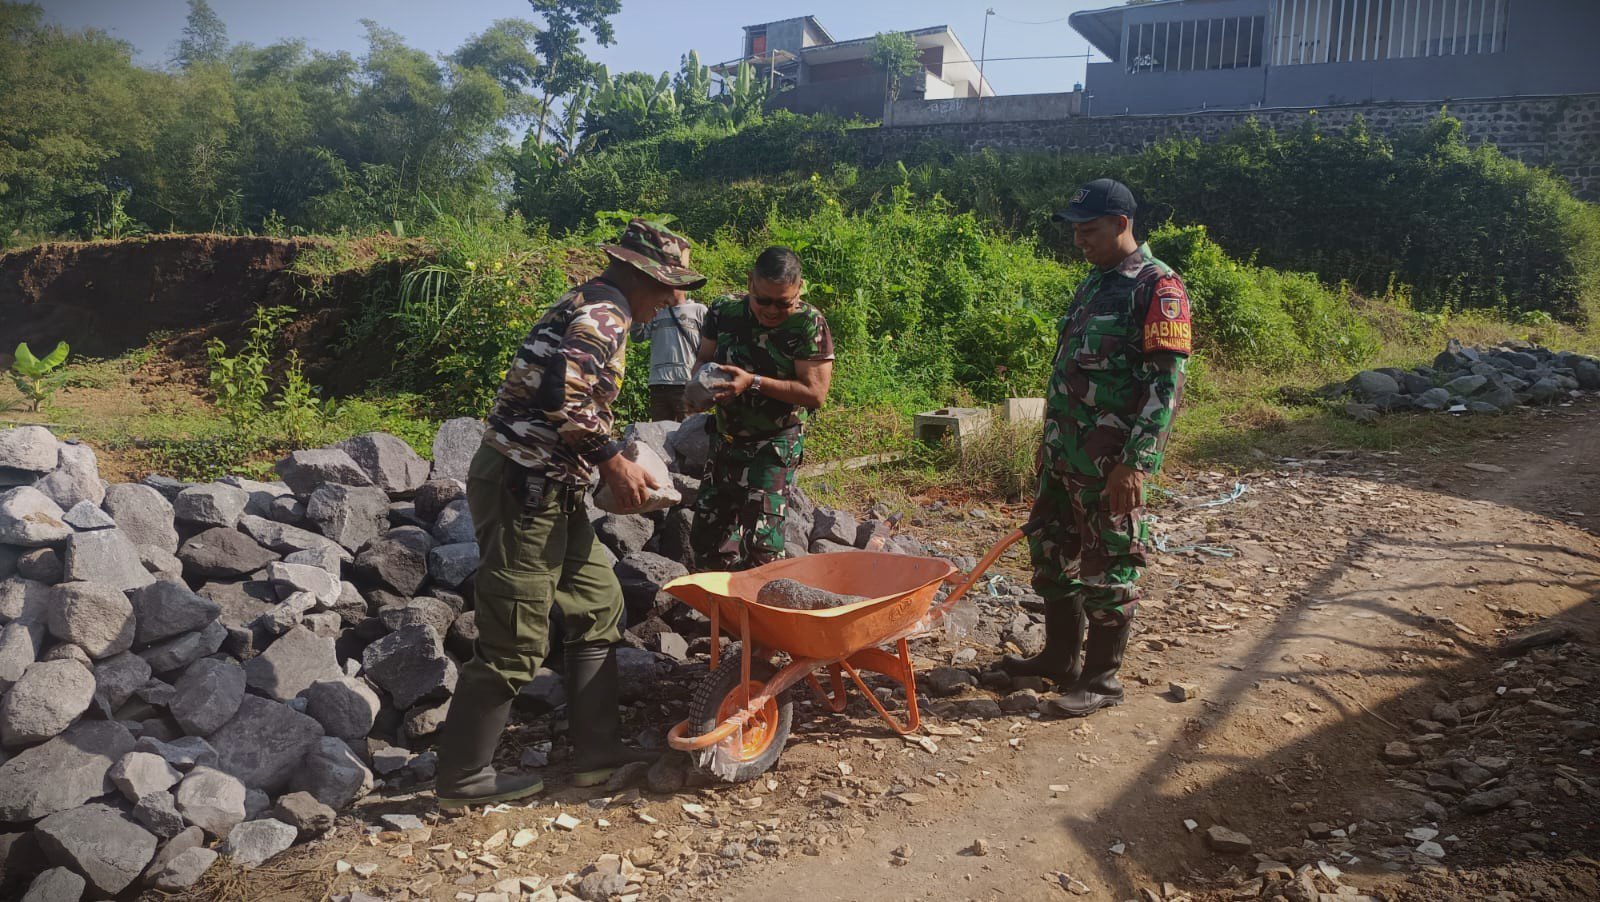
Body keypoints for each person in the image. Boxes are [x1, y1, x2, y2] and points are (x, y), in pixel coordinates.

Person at [435, 219, 707, 810]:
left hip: (552, 485)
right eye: (667, 287)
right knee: (514, 636)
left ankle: (595, 754)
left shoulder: (593, 301)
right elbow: (567, 393)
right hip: (522, 487)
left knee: (595, 601)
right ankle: (463, 777)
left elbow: (566, 394)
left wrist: (613, 455)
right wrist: (613, 461)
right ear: (642, 276)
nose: (671, 299)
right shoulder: (606, 313)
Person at [1002, 178, 1191, 718]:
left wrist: (1137, 463)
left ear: (1122, 224)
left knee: (1109, 562)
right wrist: (1049, 446)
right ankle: (1059, 660)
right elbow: (1069, 373)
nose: (1079, 240)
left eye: (1089, 229)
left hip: (1110, 462)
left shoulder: (1158, 288)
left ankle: (1102, 679)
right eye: (1075, 230)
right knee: (1051, 555)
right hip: (1065, 454)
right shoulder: (1094, 284)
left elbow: (1166, 385)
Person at [689, 246, 834, 570]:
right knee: (708, 538)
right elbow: (703, 360)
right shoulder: (724, 311)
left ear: (799, 289)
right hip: (726, 440)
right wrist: (703, 387)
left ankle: (762, 614)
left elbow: (815, 393)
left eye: (784, 303)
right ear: (750, 283)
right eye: (763, 300)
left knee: (764, 545)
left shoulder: (808, 323)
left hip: (775, 442)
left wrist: (752, 382)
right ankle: (722, 616)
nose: (771, 311)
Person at [630, 289, 708, 422]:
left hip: (686, 383)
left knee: (687, 433)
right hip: (658, 384)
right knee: (659, 434)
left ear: (683, 287)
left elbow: (710, 346)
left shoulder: (699, 310)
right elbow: (637, 336)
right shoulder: (655, 312)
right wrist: (639, 310)